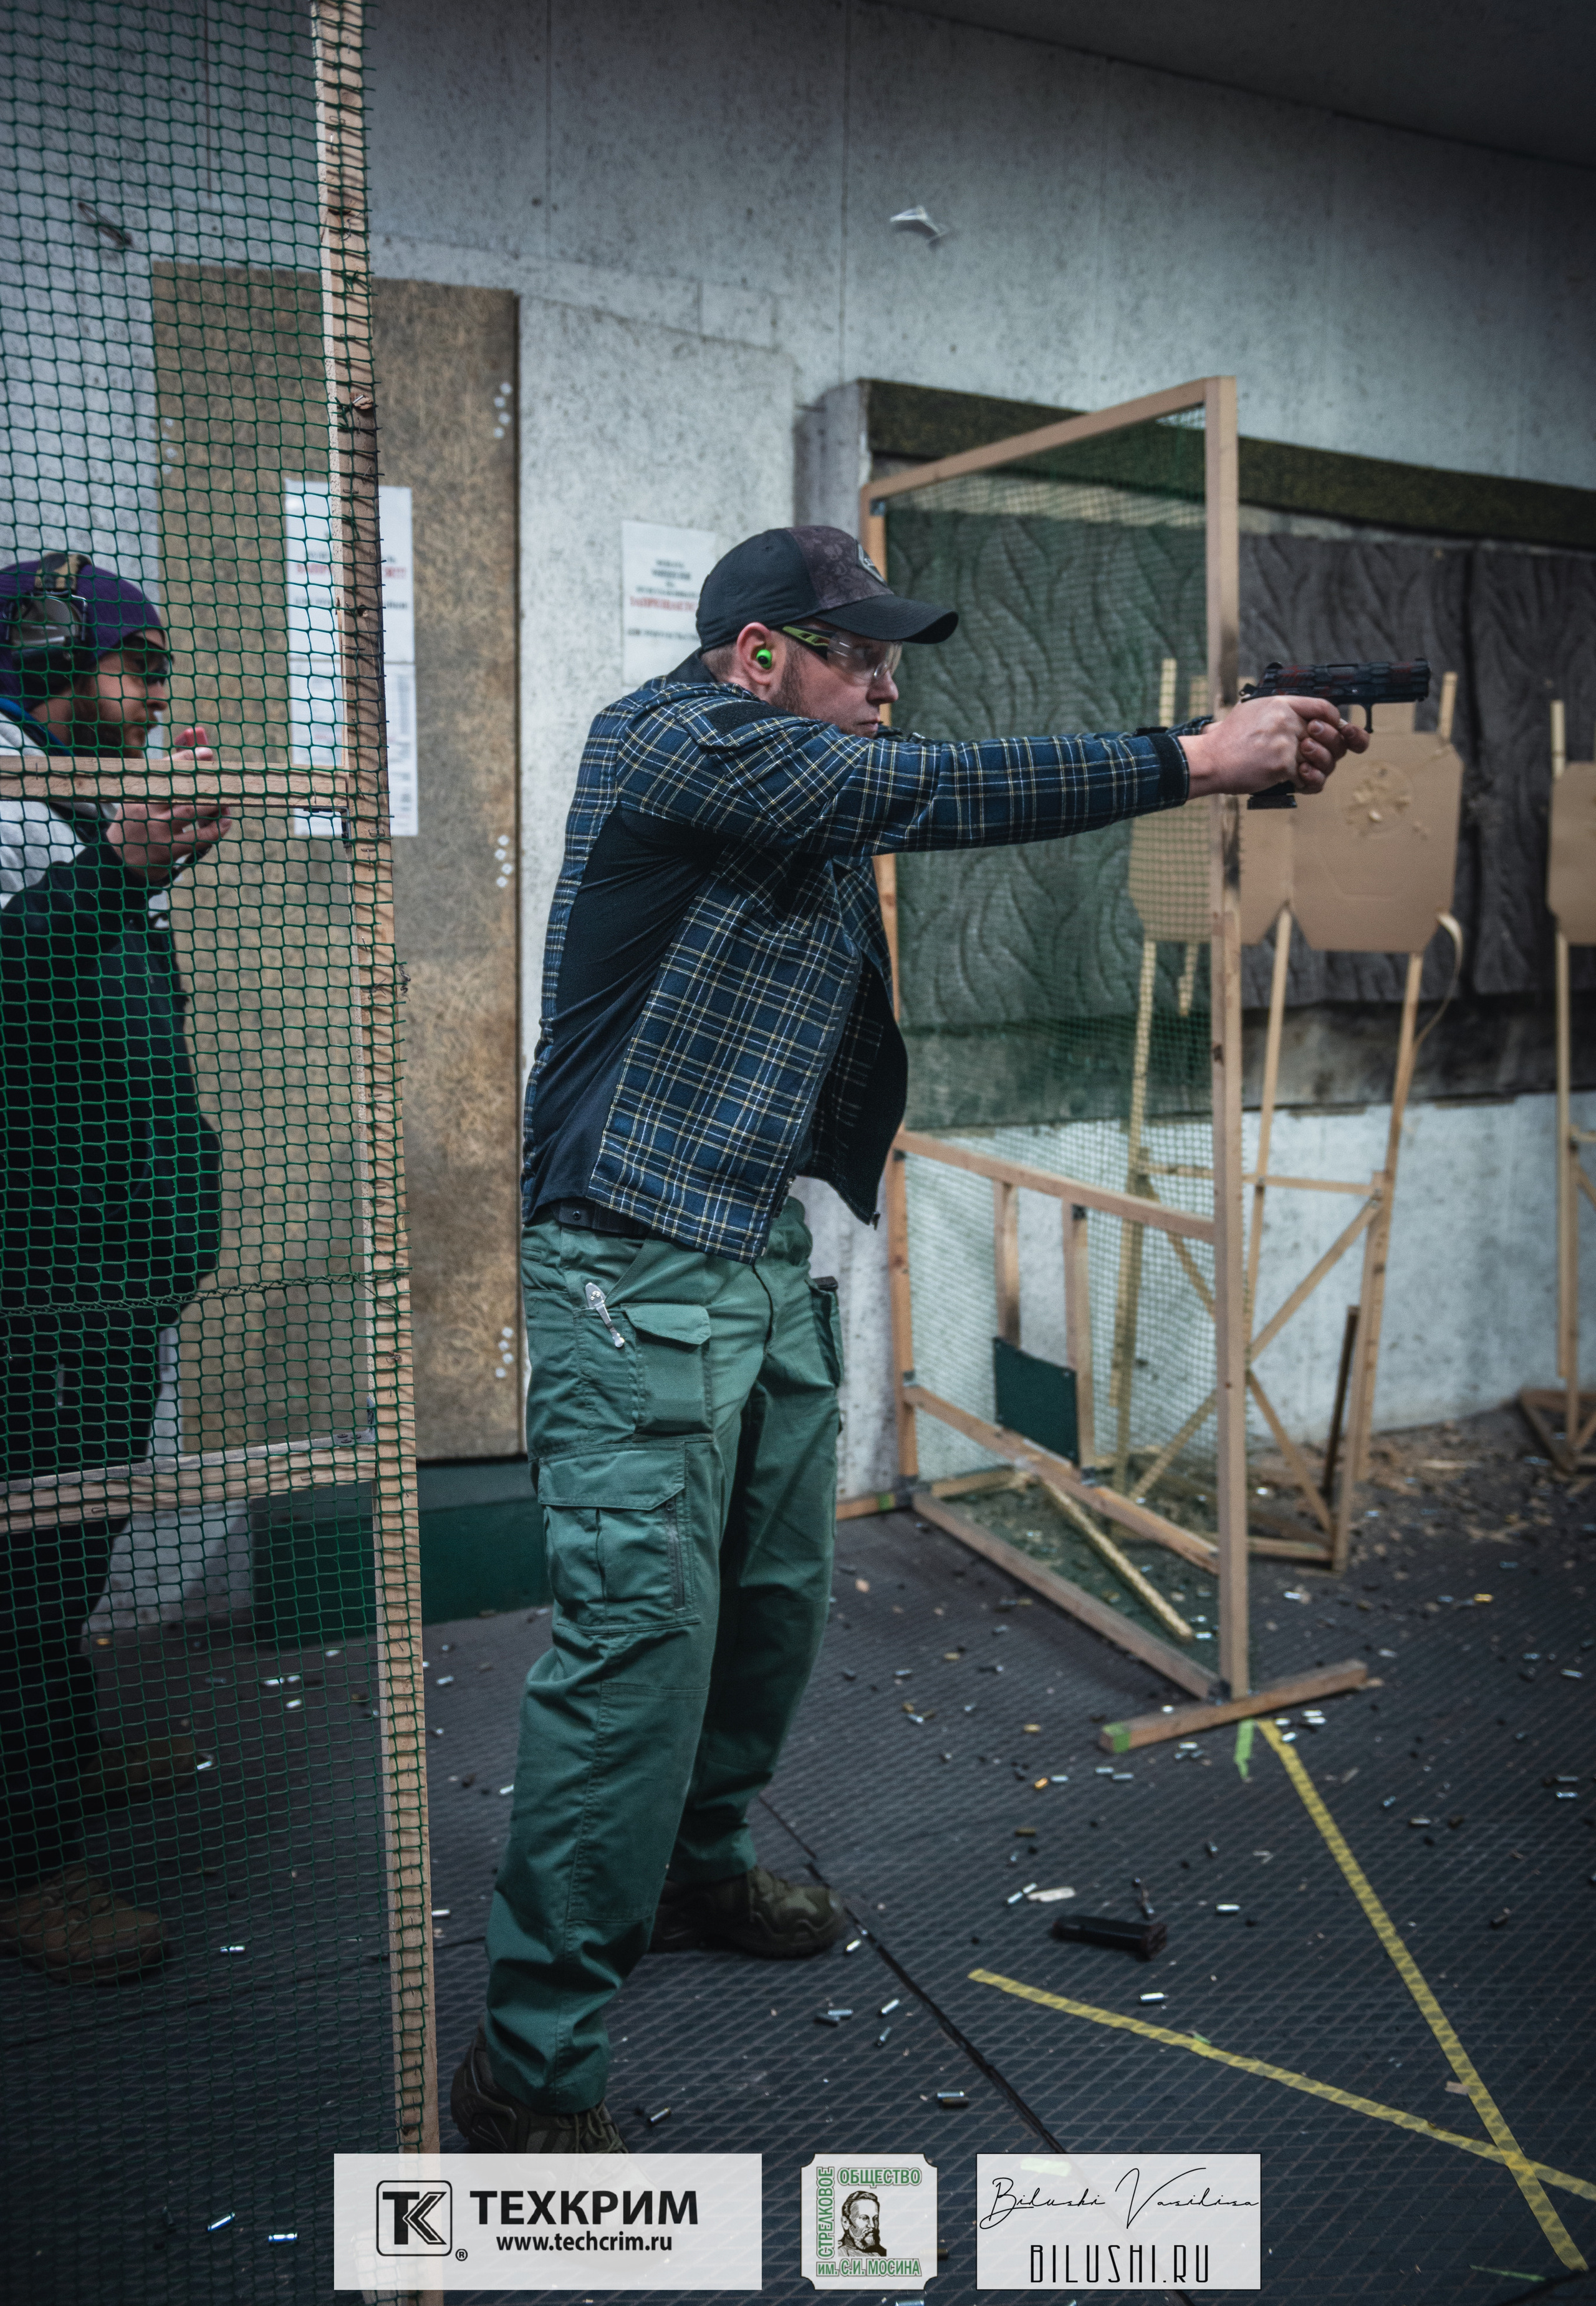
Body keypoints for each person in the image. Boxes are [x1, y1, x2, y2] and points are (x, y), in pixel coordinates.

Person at [450, 523, 1365, 2152]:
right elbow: (914, 796)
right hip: (629, 1260)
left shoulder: (797, 764)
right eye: (856, 653)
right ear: (755, 657)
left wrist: (1257, 751)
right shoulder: (667, 740)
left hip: (761, 1251)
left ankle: (695, 1869)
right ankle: (527, 2068)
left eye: (890, 656)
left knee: (774, 1604)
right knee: (636, 1647)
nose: (886, 682)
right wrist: (1194, 757)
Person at [0, 551, 233, 1984]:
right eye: (131, 665)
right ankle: (27, 1859)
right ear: (49, 673)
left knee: (69, 1534)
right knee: (29, 1555)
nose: (154, 692)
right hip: (41, 1275)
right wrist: (128, 866)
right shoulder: (8, 808)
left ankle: (54, 1764)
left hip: (109, 1267)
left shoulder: (64, 811)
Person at [839, 2191, 886, 2256]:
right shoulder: (839, 2253)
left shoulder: (883, 2253)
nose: (872, 2226)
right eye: (864, 2218)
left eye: (876, 2219)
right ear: (846, 2223)